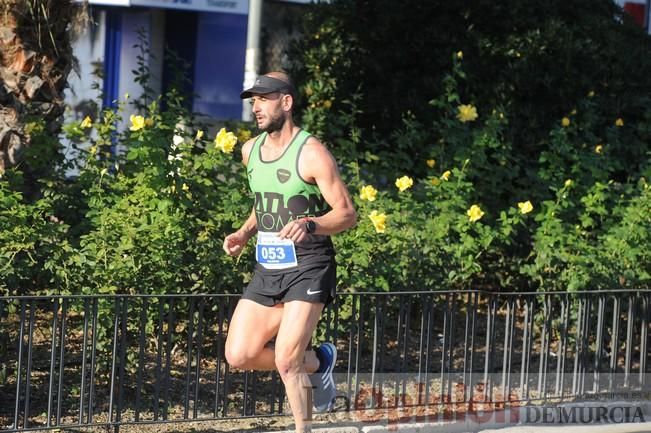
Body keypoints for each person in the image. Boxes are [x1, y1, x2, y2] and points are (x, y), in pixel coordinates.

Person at [223, 71, 357, 433]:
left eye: (263, 99)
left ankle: (303, 429)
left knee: (285, 359)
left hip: (309, 266)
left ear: (286, 101)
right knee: (238, 354)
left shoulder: (312, 153)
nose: (256, 107)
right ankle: (319, 360)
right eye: (253, 101)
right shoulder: (250, 151)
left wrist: (311, 224)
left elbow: (347, 213)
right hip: (268, 267)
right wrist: (244, 232)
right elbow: (265, 203)